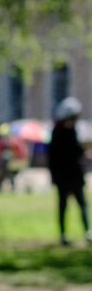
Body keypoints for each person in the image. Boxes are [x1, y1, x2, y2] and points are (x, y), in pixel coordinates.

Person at [48, 96, 89, 245]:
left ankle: (87, 231)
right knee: (63, 205)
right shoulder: (58, 132)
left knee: (82, 204)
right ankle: (63, 235)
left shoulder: (72, 131)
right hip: (63, 177)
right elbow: (53, 158)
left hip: (75, 175)